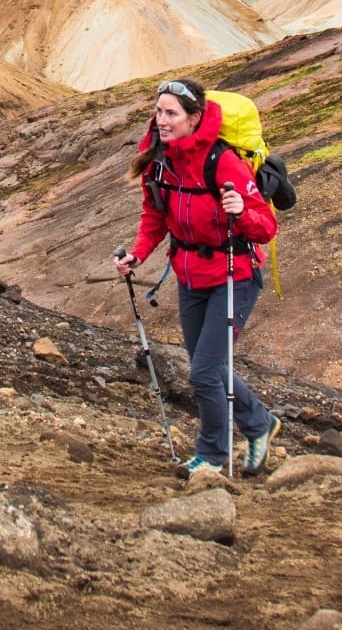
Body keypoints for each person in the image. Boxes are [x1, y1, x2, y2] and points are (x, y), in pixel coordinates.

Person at [115, 77, 282, 478]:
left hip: (234, 276)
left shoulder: (223, 161)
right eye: (159, 112)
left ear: (194, 118)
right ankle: (260, 424)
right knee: (210, 365)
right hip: (190, 278)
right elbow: (155, 217)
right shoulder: (160, 161)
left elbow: (266, 226)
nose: (162, 120)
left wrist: (241, 210)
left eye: (171, 113)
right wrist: (138, 254)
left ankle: (210, 456)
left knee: (204, 371)